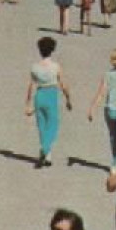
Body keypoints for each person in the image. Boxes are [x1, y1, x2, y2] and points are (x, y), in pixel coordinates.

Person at [25, 36, 73, 169]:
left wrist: (28, 104)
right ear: (52, 50)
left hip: (39, 95)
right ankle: (45, 150)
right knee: (53, 125)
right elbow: (63, 84)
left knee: (42, 125)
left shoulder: (35, 67)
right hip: (51, 94)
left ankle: (47, 155)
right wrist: (68, 99)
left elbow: (31, 86)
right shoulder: (56, 66)